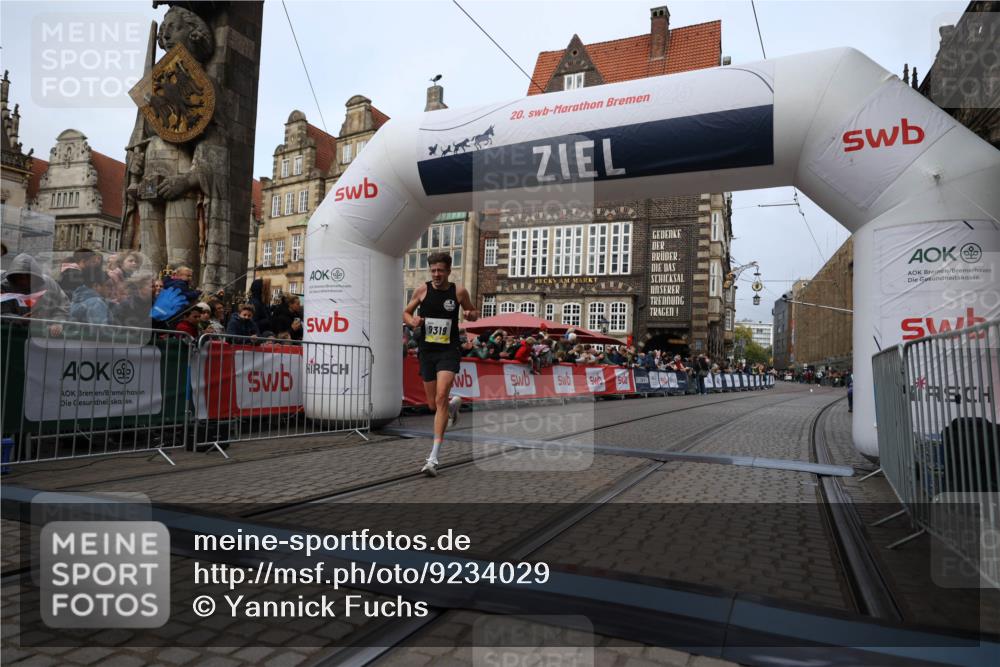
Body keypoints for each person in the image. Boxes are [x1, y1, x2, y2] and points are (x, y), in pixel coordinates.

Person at [403, 251, 478, 477]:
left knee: (441, 394)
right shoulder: (422, 291)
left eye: (440, 271)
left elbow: (473, 313)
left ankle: (433, 457)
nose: (436, 274)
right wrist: (412, 320)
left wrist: (470, 314)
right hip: (427, 350)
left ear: (448, 271)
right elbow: (405, 313)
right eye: (433, 270)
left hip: (448, 349)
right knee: (434, 405)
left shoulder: (459, 292)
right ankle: (453, 407)